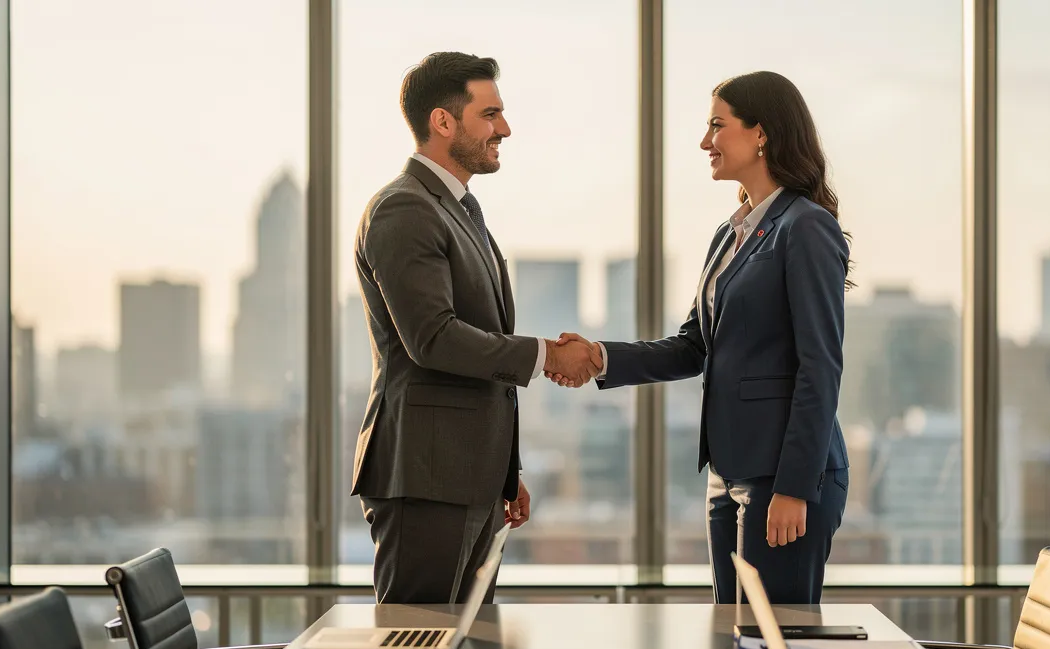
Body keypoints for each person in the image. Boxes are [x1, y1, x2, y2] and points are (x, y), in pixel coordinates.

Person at [553, 71, 851, 604]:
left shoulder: (804, 227)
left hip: (782, 477)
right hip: (729, 473)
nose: (704, 141)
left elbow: (821, 366)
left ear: (762, 133)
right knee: (732, 639)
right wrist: (599, 357)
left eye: (717, 125)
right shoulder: (731, 233)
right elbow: (693, 346)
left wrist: (794, 487)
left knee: (770, 645)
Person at [351, 52, 601, 603]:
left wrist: (502, 475)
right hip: (425, 480)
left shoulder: (456, 209)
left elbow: (474, 356)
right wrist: (546, 356)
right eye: (490, 115)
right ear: (443, 122)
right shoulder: (404, 209)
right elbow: (433, 339)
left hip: (465, 479)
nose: (504, 129)